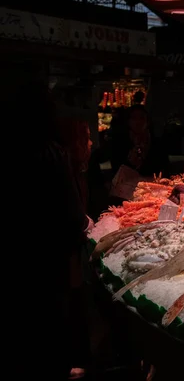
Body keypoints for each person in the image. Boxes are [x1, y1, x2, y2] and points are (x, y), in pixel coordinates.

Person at [17, 82, 91, 379]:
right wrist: (86, 224)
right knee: (51, 316)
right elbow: (73, 217)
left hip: (21, 252)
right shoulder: (52, 154)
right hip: (50, 256)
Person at [56, 117, 95, 380]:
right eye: (87, 138)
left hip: (70, 250)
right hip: (61, 253)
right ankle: (68, 363)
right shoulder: (64, 168)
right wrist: (83, 222)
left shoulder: (78, 169)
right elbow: (69, 214)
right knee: (67, 303)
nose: (92, 143)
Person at [110, 104, 170, 178]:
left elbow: (164, 168)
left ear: (147, 121)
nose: (138, 122)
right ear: (128, 121)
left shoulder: (157, 143)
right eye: (134, 118)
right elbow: (116, 169)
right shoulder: (120, 143)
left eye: (142, 118)